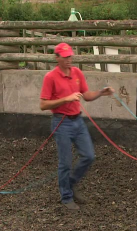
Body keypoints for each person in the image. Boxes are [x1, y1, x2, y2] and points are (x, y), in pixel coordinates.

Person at [39, 43, 114, 210]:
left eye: (70, 56)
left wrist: (101, 92)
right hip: (61, 122)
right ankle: (66, 197)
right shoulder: (50, 77)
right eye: (65, 57)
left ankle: (70, 185)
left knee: (89, 156)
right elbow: (43, 105)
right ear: (57, 58)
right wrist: (65, 99)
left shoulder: (77, 73)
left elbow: (86, 95)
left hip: (78, 121)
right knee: (65, 162)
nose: (68, 60)